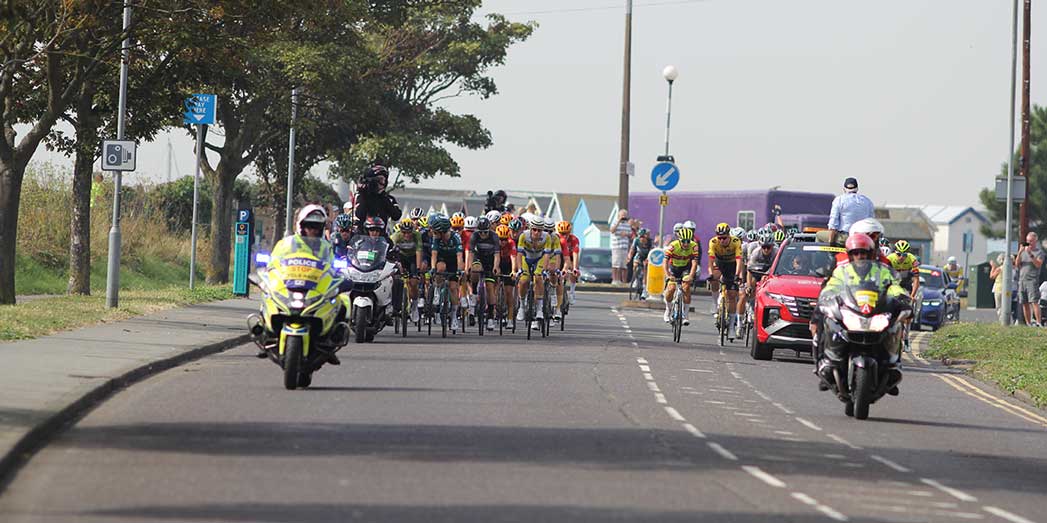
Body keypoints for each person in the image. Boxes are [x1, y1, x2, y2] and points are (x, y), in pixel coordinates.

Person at [814, 233, 909, 392]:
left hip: (874, 312)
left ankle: (891, 366)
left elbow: (894, 286)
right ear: (850, 255)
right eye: (856, 253)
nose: (860, 256)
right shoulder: (842, 271)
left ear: (871, 254)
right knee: (828, 323)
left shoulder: (882, 271)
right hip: (851, 311)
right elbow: (832, 286)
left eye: (863, 253)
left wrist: (901, 297)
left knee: (895, 326)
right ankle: (827, 364)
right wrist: (826, 297)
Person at [264, 204, 341, 363]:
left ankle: (330, 343)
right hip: (290, 286)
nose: (312, 230)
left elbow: (332, 268)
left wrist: (338, 276)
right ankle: (267, 335)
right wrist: (268, 272)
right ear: (301, 226)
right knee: (268, 298)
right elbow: (273, 264)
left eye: (316, 227)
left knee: (342, 303)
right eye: (309, 226)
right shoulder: (287, 243)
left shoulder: (325, 247)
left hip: (313, 288)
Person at [708, 222, 745, 337]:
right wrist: (710, 273)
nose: (722, 240)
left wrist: (737, 275)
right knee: (714, 278)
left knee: (732, 295)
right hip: (719, 263)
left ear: (729, 236)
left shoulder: (735, 242)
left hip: (732, 265)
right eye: (720, 238)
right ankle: (715, 302)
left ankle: (731, 328)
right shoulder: (713, 242)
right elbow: (710, 260)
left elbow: (739, 260)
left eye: (724, 238)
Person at [429, 215, 465, 331]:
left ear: (442, 232)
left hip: (453, 261)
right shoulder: (436, 238)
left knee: (453, 287)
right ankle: (437, 290)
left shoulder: (456, 238)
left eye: (436, 232)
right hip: (442, 259)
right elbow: (434, 254)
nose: (434, 234)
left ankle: (454, 315)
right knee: (440, 268)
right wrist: (433, 268)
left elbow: (459, 257)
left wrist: (459, 271)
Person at [465, 216, 501, 331]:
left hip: (490, 260)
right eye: (481, 232)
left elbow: (496, 255)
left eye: (485, 232)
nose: (483, 235)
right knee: (475, 269)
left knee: (490, 287)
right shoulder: (474, 236)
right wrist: (468, 267)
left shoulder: (494, 236)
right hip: (478, 257)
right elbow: (470, 253)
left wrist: (495, 267)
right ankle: (474, 294)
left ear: (489, 229)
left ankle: (490, 317)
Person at [516, 219, 554, 324]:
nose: (537, 232)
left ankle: (539, 309)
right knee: (524, 280)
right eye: (534, 230)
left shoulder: (547, 237)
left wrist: (544, 270)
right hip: (526, 258)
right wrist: (519, 269)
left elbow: (546, 256)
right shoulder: (523, 236)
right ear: (530, 229)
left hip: (539, 258)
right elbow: (519, 254)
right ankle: (522, 306)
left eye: (539, 230)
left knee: (538, 277)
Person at [663, 227, 699, 325]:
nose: (686, 244)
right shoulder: (673, 246)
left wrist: (691, 275)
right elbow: (665, 261)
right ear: (679, 240)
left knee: (686, 287)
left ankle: (686, 314)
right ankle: (668, 309)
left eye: (688, 241)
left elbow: (694, 263)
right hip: (673, 268)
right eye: (684, 241)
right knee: (671, 288)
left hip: (685, 268)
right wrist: (668, 275)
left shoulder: (694, 246)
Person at [390, 217, 424, 323]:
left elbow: (419, 252)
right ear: (401, 231)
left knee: (413, 282)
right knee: (395, 278)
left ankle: (414, 305)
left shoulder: (417, 235)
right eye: (404, 233)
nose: (407, 235)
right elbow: (389, 250)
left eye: (409, 232)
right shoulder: (396, 236)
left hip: (413, 258)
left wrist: (417, 270)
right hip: (401, 257)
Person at [353, 164, 402, 235]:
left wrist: (384, 197)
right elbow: (359, 214)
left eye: (384, 180)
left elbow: (396, 216)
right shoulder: (362, 197)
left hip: (381, 238)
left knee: (391, 244)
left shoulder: (388, 198)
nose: (383, 183)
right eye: (381, 180)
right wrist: (364, 194)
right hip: (364, 237)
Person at [827, 177, 875, 246]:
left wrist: (831, 243)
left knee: (819, 235)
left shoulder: (839, 200)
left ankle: (828, 256)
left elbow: (833, 225)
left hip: (845, 237)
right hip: (862, 237)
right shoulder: (867, 201)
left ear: (844, 189)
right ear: (857, 188)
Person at [1015, 231, 1045, 326]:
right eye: (1027, 241)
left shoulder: (1039, 253)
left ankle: (1038, 322)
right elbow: (1017, 264)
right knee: (1024, 302)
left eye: (1031, 241)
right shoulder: (1023, 252)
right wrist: (1020, 253)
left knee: (1034, 301)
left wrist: (1030, 254)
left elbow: (1038, 264)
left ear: (1035, 241)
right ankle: (1028, 323)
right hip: (1022, 280)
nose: (1029, 243)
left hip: (1032, 280)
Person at [495, 224, 519, 325]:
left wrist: (513, 271)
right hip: (497, 263)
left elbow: (514, 258)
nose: (503, 242)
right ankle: (494, 311)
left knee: (509, 292)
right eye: (501, 239)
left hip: (508, 265)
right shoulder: (494, 243)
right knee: (494, 288)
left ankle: (510, 318)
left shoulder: (511, 243)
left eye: (505, 239)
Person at [557, 220, 581, 305]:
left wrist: (574, 267)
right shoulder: (557, 239)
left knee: (574, 269)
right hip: (560, 256)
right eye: (562, 233)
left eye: (566, 233)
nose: (564, 236)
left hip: (570, 257)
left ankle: (572, 292)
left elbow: (575, 253)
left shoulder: (574, 239)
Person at [628, 228, 654, 299]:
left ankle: (645, 289)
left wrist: (647, 260)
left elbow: (651, 252)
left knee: (646, 268)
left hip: (647, 256)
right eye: (640, 237)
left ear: (646, 236)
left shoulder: (650, 242)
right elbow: (632, 249)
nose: (641, 239)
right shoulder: (636, 240)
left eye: (643, 237)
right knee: (635, 264)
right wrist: (629, 257)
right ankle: (635, 279)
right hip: (639, 255)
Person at [610, 209, 633, 284]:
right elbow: (612, 230)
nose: (623, 217)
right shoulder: (615, 222)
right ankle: (615, 280)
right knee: (616, 264)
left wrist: (626, 234)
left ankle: (624, 281)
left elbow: (630, 234)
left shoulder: (627, 224)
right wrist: (618, 221)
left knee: (624, 265)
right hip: (617, 246)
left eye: (625, 216)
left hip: (625, 247)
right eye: (622, 216)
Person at [990, 254, 1007, 324]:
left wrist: (993, 267)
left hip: (998, 288)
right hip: (1006, 288)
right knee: (1005, 305)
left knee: (999, 306)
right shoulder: (1008, 268)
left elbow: (992, 276)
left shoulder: (999, 269)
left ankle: (1002, 320)